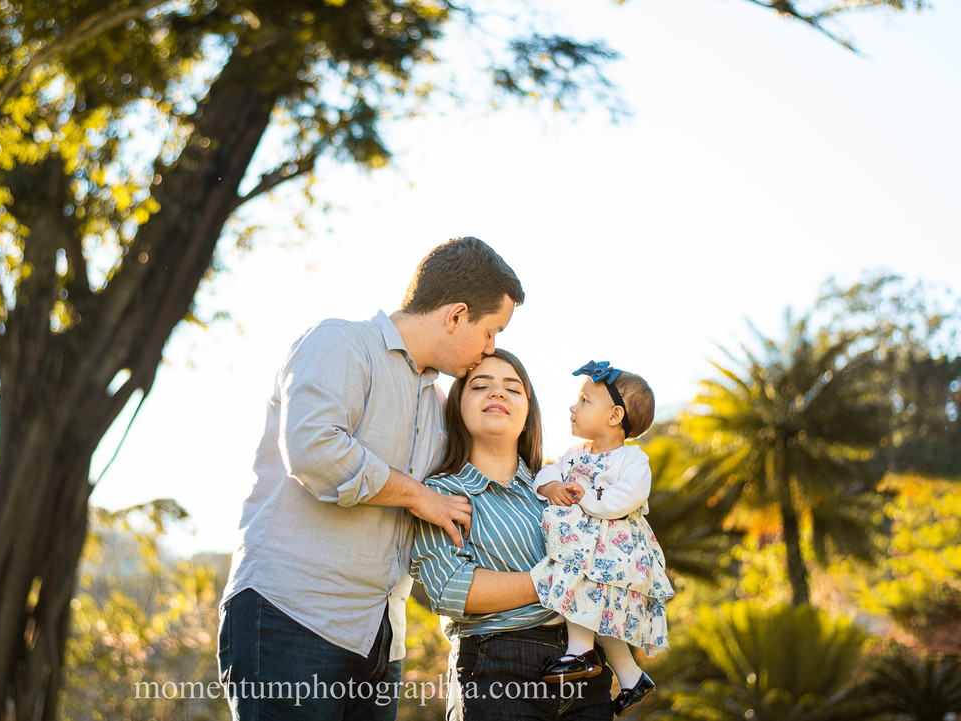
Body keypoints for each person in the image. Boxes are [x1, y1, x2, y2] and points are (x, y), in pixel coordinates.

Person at [218, 237, 525, 721]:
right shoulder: (340, 342)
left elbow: (480, 477)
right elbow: (314, 449)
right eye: (491, 332)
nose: (491, 349)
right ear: (456, 315)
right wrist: (417, 496)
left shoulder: (438, 405)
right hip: (291, 617)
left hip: (381, 639)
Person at [411, 349, 615, 721]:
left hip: (586, 668)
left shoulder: (562, 486)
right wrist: (558, 578)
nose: (498, 394)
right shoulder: (438, 493)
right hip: (497, 669)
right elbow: (451, 588)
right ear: (457, 406)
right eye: (481, 386)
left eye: (512, 388)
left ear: (528, 411)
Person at [531, 361, 673, 717]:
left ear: (614, 415)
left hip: (616, 550)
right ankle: (630, 677)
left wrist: (587, 499)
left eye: (584, 400)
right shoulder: (575, 455)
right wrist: (553, 486)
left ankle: (579, 651)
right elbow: (549, 470)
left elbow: (626, 497)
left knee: (585, 589)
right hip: (591, 548)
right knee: (601, 611)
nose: (572, 407)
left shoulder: (632, 459)